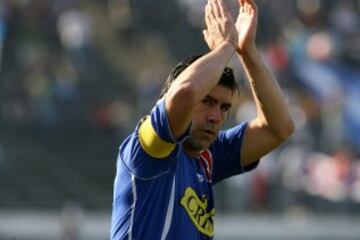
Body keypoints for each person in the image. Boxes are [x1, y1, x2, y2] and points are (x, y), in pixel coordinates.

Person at [110, 0, 294, 239]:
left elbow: (278, 128)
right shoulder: (147, 148)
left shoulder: (207, 157)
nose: (216, 116)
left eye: (224, 107)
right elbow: (185, 93)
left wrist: (247, 52)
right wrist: (226, 46)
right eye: (207, 102)